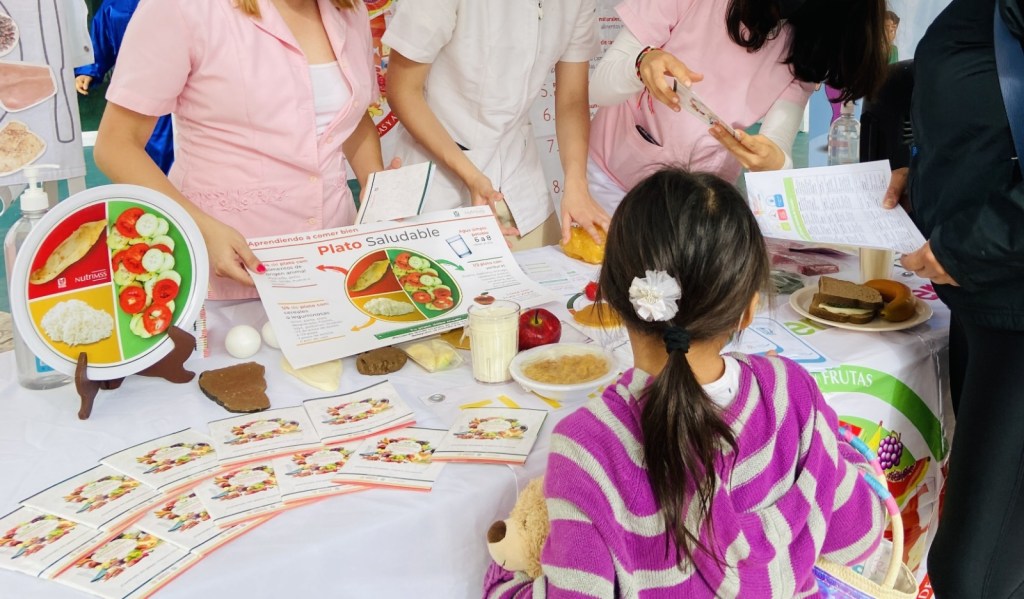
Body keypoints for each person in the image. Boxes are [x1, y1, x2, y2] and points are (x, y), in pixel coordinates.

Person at [485, 168, 886, 597]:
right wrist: (841, 453)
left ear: (614, 298)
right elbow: (857, 536)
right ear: (748, 310)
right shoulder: (791, 393)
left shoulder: (588, 447)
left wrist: (506, 581)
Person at [94, 0, 387, 299]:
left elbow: (350, 114)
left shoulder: (349, 11)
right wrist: (201, 227)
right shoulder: (182, 8)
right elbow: (116, 145)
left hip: (331, 252)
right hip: (230, 255)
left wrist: (375, 181)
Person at [881, 0, 1024, 596]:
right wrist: (922, 166)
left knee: (973, 574)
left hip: (1010, 305)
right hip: (981, 304)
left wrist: (969, 246)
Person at [586, 0, 889, 212]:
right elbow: (599, 86)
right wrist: (641, 64)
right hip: (610, 186)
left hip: (696, 208)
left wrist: (774, 162)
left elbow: (776, 145)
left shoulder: (809, 38)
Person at [381, 0, 609, 248]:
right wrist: (471, 176)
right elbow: (402, 91)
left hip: (519, 181)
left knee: (548, 277)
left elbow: (572, 99)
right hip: (436, 183)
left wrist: (576, 184)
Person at [74, 0, 174, 174]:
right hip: (135, 94)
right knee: (137, 151)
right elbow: (100, 39)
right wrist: (88, 70)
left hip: (185, 91)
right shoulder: (116, 6)